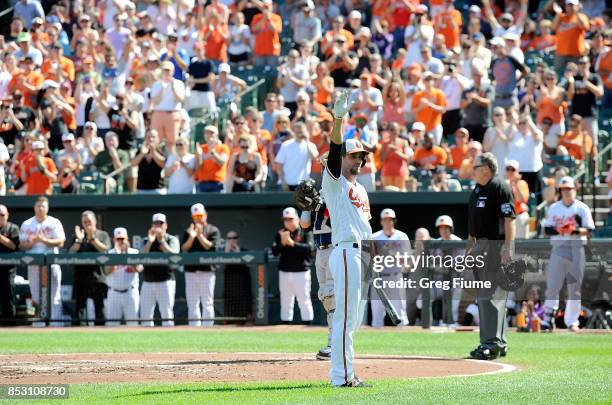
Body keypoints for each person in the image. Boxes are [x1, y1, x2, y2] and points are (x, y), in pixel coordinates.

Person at [321, 91, 372, 387]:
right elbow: (335, 143)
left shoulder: (360, 188)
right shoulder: (334, 180)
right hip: (344, 251)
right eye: (355, 155)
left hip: (361, 253)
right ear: (341, 158)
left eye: (362, 156)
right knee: (344, 319)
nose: (360, 159)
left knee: (353, 321)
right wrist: (338, 118)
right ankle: (341, 378)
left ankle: (348, 372)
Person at [466, 152, 516, 360]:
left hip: (494, 245)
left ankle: (491, 344)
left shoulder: (500, 187)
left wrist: (508, 248)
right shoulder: (477, 189)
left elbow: (509, 219)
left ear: (486, 168)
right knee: (484, 296)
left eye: (475, 166)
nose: (473, 170)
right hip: (480, 245)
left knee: (492, 295)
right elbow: (473, 222)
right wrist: (470, 246)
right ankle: (498, 342)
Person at [542, 176, 594, 332]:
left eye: (569, 189)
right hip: (558, 248)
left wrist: (575, 230)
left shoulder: (582, 208)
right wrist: (561, 229)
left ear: (575, 189)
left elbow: (590, 230)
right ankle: (547, 318)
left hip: (576, 248)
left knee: (574, 287)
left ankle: (572, 321)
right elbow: (547, 229)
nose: (566, 192)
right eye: (564, 189)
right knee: (553, 285)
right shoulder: (554, 208)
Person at [299, 179, 334, 360]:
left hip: (335, 247)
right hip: (320, 251)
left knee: (332, 297)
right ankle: (333, 341)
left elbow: (340, 219)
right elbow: (304, 224)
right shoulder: (318, 194)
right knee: (325, 297)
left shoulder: (339, 190)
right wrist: (307, 205)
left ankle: (334, 343)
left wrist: (320, 205)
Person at [19, 196, 65, 326]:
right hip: (33, 264)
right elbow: (22, 245)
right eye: (38, 206)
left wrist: (43, 239)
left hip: (51, 264)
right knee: (35, 295)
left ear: (47, 208)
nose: (40, 208)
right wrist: (32, 241)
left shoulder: (54, 222)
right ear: (34, 208)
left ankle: (56, 324)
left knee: (54, 295)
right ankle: (38, 323)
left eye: (43, 206)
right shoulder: (27, 223)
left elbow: (61, 242)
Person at [271, 207, 315, 325]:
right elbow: (274, 251)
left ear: (297, 218)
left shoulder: (305, 231)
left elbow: (310, 248)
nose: (288, 222)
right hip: (285, 271)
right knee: (286, 300)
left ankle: (308, 324)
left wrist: (292, 244)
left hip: (301, 271)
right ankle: (286, 325)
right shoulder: (280, 233)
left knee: (304, 299)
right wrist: (282, 243)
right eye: (285, 219)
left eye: (290, 219)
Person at [68, 210, 111, 326]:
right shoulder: (78, 236)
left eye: (89, 221)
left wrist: (92, 239)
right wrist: (79, 240)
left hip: (98, 278)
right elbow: (70, 253)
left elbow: (105, 250)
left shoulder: (103, 235)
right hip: (80, 278)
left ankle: (102, 338)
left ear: (95, 221)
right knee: (79, 309)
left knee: (99, 310)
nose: (87, 224)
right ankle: (77, 337)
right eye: (84, 222)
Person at [181, 203, 221, 327]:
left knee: (207, 302)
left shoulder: (212, 229)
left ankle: (208, 330)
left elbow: (210, 247)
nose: (198, 218)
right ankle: (194, 330)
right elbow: (184, 249)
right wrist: (192, 237)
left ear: (205, 215)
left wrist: (199, 235)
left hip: (207, 271)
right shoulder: (188, 231)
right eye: (195, 216)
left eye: (200, 215)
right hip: (191, 271)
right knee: (192, 303)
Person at [371, 209, 410, 328]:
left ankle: (404, 340)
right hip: (379, 277)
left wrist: (391, 254)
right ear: (381, 221)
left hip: (395, 276)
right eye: (385, 220)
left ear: (394, 221)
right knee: (377, 314)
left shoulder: (401, 236)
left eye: (390, 220)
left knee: (400, 312)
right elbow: (369, 259)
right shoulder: (374, 237)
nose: (388, 222)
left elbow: (407, 260)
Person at [140, 213, 180, 327]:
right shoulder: (146, 239)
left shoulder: (171, 239)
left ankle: (169, 341)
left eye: (160, 224)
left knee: (167, 314)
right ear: (152, 225)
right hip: (148, 281)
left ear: (165, 225)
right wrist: (150, 241)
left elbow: (175, 257)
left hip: (166, 281)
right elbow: (140, 257)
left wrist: (162, 241)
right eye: (156, 224)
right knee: (145, 315)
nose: (158, 226)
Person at [274, 121, 318, 191]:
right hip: (286, 183)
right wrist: (283, 182)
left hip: (303, 184)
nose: (299, 134)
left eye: (301, 132)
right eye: (297, 132)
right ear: (294, 132)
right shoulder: (286, 145)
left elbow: (314, 157)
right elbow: (279, 165)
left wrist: (307, 140)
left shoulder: (311, 145)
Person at [223, 230, 252, 320]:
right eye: (229, 238)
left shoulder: (244, 251)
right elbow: (219, 267)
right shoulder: (223, 252)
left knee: (244, 301)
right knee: (230, 302)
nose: (232, 240)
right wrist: (226, 253)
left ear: (238, 239)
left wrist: (238, 253)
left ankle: (247, 318)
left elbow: (250, 264)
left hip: (243, 283)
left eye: (234, 238)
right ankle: (229, 320)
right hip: (230, 284)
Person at [0, 205, 20, 326]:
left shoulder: (12, 228)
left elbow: (13, 246)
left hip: (8, 269)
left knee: (8, 299)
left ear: (7, 215)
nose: (0, 217)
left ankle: (10, 327)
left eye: (2, 215)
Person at [194, 125, 230, 193]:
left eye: (211, 133)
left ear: (217, 135)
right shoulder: (201, 148)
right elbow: (197, 166)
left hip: (217, 183)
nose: (209, 135)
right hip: (202, 183)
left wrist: (212, 152)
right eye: (206, 133)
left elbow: (222, 163)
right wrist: (199, 156)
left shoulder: (223, 147)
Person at [131, 129, 166, 194]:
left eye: (153, 137)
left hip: (158, 189)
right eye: (148, 137)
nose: (151, 139)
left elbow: (163, 164)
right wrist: (142, 154)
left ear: (158, 139)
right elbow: (133, 164)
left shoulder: (161, 151)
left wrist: (153, 152)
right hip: (141, 189)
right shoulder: (140, 151)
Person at [505, 160, 531, 240]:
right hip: (506, 218)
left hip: (519, 216)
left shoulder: (522, 183)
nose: (510, 171)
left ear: (517, 171)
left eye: (512, 169)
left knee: (521, 246)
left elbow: (521, 200)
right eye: (508, 169)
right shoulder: (503, 184)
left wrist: (515, 184)